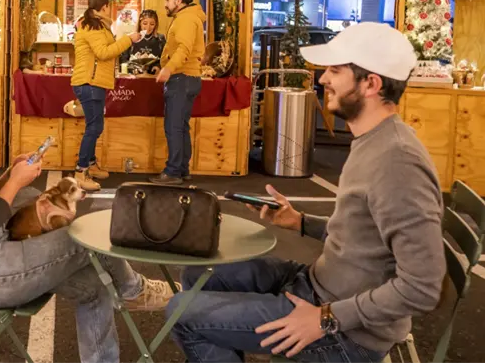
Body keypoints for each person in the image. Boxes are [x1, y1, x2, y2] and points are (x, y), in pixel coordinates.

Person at [167, 22, 445, 363]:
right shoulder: (374, 141)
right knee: (197, 275)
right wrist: (300, 222)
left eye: (334, 71)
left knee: (181, 311)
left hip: (346, 332)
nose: (323, 79)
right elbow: (364, 234)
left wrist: (326, 318)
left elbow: (423, 287)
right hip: (317, 285)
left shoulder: (398, 163)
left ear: (371, 83)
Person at [0, 48, 175, 363]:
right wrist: (15, 183)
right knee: (87, 238)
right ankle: (134, 290)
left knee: (93, 287)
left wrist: (7, 178)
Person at [70, 0, 141, 192]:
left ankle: (90, 163)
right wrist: (128, 40)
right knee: (94, 127)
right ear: (103, 7)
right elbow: (103, 53)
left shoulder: (98, 25)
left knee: (96, 126)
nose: (111, 9)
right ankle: (80, 170)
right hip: (89, 82)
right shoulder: (91, 26)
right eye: (109, 6)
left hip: (95, 82)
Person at [149, 0, 206, 185]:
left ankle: (173, 172)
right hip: (188, 78)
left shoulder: (186, 19)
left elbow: (184, 48)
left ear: (179, 1)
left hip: (181, 79)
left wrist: (168, 68)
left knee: (174, 127)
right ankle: (182, 169)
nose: (165, 4)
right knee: (181, 127)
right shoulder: (189, 17)